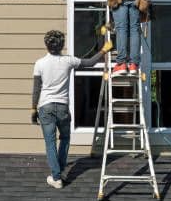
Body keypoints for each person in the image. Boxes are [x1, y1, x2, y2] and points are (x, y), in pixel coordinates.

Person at [31, 30, 112, 189]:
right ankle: (59, 171)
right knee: (65, 138)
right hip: (62, 107)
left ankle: (56, 177)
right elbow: (90, 63)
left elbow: (36, 89)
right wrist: (103, 50)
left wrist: (33, 110)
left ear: (47, 45)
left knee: (50, 143)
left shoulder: (40, 63)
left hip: (45, 107)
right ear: (62, 45)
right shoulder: (68, 61)